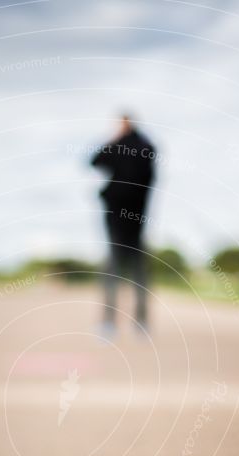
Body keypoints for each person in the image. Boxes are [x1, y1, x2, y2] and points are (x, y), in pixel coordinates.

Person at [90, 115, 156, 336]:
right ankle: (129, 323)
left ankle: (126, 323)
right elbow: (95, 162)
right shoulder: (135, 146)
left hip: (129, 218)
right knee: (126, 270)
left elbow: (95, 161)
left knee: (123, 270)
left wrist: (115, 139)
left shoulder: (141, 147)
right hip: (126, 218)